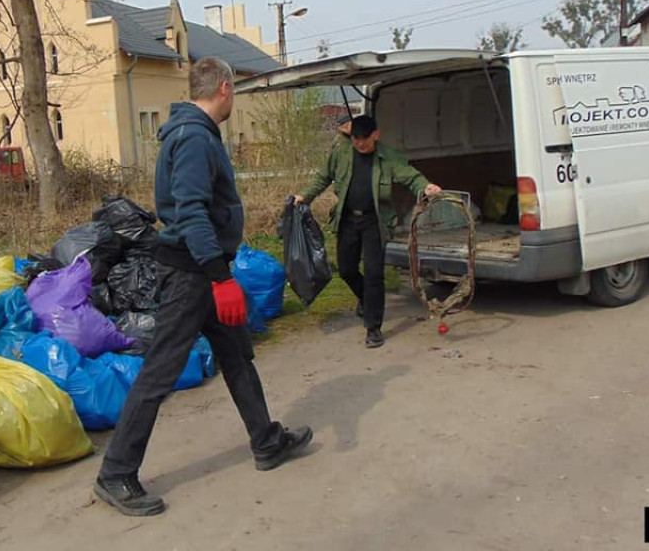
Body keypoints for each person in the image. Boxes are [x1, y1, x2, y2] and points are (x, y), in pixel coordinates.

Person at [94, 57, 313, 517]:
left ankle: (266, 440)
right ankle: (115, 473)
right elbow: (190, 211)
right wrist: (219, 276)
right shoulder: (194, 137)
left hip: (204, 268)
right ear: (226, 89)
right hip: (192, 273)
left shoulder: (194, 131)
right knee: (159, 372)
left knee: (236, 356)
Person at [294, 114, 441, 348]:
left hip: (375, 222)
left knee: (374, 274)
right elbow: (323, 177)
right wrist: (305, 196)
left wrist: (426, 187)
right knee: (347, 269)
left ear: (376, 135)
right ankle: (366, 299)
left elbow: (410, 176)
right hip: (347, 220)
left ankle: (373, 328)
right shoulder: (341, 154)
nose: (359, 144)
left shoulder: (388, 157)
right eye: (355, 139)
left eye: (364, 139)